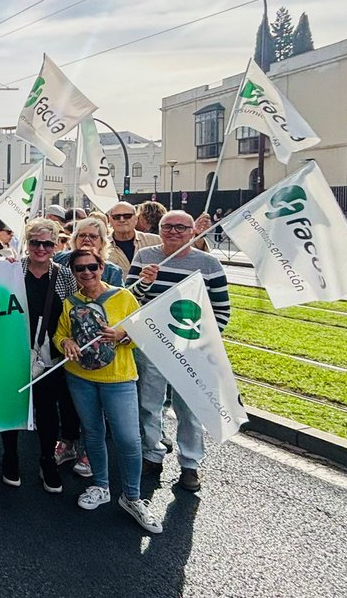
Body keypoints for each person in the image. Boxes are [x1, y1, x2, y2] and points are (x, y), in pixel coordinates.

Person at [55, 249, 161, 534]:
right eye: (79, 269)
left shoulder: (123, 297)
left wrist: (122, 335)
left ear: (102, 267)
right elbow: (60, 333)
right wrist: (65, 343)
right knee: (92, 433)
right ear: (74, 273)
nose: (86, 273)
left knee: (128, 439)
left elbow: (143, 333)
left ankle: (132, 497)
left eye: (92, 267)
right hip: (80, 378)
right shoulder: (70, 302)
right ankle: (100, 485)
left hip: (118, 379)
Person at [127, 210, 230, 493]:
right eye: (167, 227)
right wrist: (144, 282)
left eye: (181, 227)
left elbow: (221, 310)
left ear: (192, 231)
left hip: (190, 347)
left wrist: (204, 340)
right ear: (159, 230)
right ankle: (152, 455)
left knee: (189, 409)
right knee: (149, 404)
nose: (174, 232)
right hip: (152, 344)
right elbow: (129, 299)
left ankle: (190, 465)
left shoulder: (208, 264)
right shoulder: (145, 257)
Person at [0, 218, 78, 493]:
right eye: (35, 242)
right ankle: (10, 456)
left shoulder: (64, 275)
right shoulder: (12, 270)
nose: (41, 248)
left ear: (56, 246)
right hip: (12, 351)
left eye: (47, 243)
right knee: (11, 406)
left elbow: (74, 311)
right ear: (27, 243)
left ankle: (47, 460)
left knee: (47, 410)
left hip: (50, 354)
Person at [56, 218, 124, 287]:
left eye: (93, 236)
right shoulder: (59, 260)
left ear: (102, 242)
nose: (86, 239)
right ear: (75, 239)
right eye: (82, 235)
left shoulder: (112, 272)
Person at [105, 202, 160, 274]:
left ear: (136, 219)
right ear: (110, 220)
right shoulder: (101, 245)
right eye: (116, 217)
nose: (122, 220)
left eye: (127, 216)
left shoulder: (155, 241)